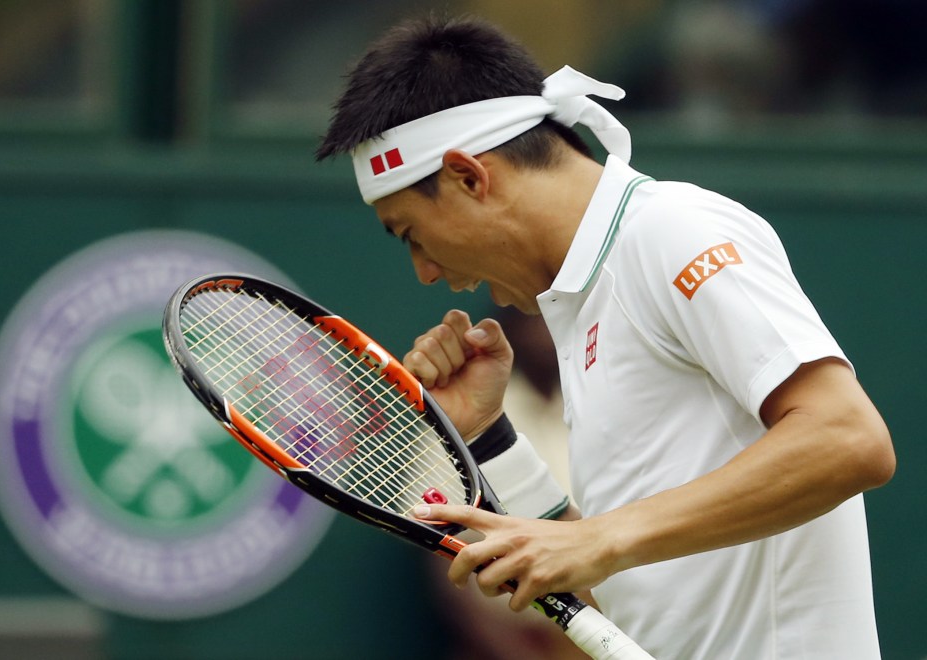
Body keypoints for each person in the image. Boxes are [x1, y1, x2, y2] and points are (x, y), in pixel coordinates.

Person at [316, 15, 895, 658]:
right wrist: (489, 435)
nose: (425, 272)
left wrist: (601, 539)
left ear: (469, 176)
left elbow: (850, 439)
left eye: (411, 234)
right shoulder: (585, 304)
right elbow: (612, 582)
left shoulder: (671, 232)